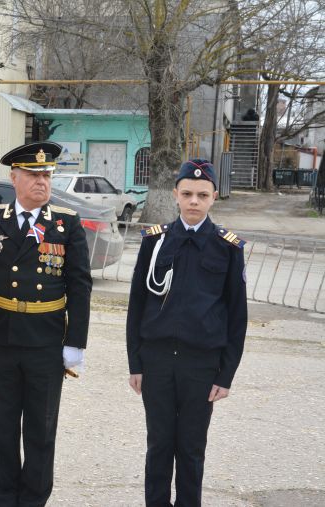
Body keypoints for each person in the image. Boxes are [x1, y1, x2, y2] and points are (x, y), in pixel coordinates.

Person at [0, 141, 92, 506]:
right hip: (2, 337)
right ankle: (4, 497)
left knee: (41, 429)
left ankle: (33, 500)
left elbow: (79, 285)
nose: (42, 182)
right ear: (14, 178)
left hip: (46, 340)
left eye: (46, 175)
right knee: (2, 425)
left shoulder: (66, 222)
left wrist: (75, 342)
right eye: (33, 175)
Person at [126, 159, 247, 507]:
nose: (194, 201)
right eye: (188, 193)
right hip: (157, 361)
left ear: (214, 198)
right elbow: (137, 305)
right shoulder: (155, 242)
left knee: (192, 449)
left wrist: (226, 374)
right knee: (159, 445)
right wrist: (135, 363)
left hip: (201, 364)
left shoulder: (227, 247)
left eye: (202, 195)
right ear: (176, 194)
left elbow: (237, 316)